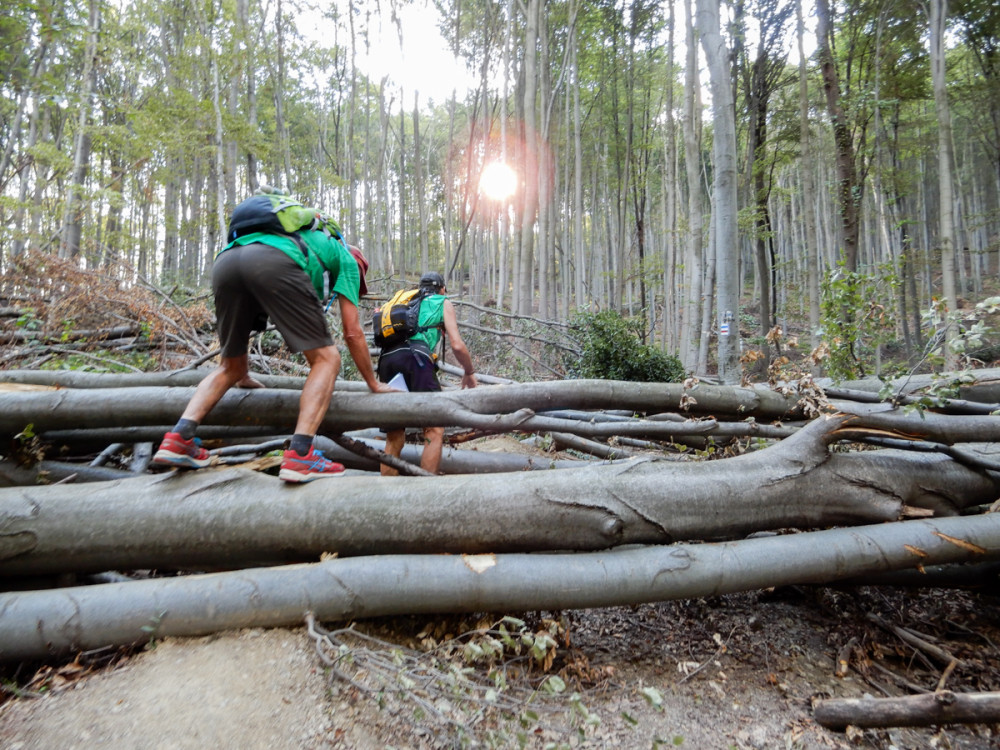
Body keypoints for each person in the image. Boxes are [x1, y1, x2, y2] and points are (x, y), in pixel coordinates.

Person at [153, 207, 392, 483]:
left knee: (228, 368)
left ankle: (178, 438)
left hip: (227, 261)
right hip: (274, 262)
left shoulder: (299, 239)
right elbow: (353, 333)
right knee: (327, 359)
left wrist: (241, 372)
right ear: (360, 264)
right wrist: (373, 383)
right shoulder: (347, 259)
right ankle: (301, 454)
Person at [376, 271, 477, 475]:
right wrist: (469, 371)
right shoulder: (442, 302)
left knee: (394, 436)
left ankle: (383, 493)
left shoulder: (403, 300)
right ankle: (426, 490)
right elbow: (456, 345)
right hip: (416, 359)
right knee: (434, 429)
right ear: (442, 289)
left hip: (387, 361)